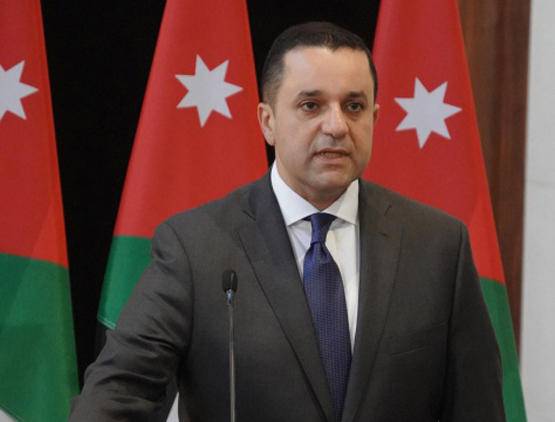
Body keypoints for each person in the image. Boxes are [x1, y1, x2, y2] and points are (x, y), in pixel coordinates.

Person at [70, 22, 505, 421]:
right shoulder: (195, 247)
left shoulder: (438, 246)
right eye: (311, 105)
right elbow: (117, 395)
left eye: (354, 106)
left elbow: (477, 408)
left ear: (374, 119)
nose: (336, 126)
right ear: (268, 121)